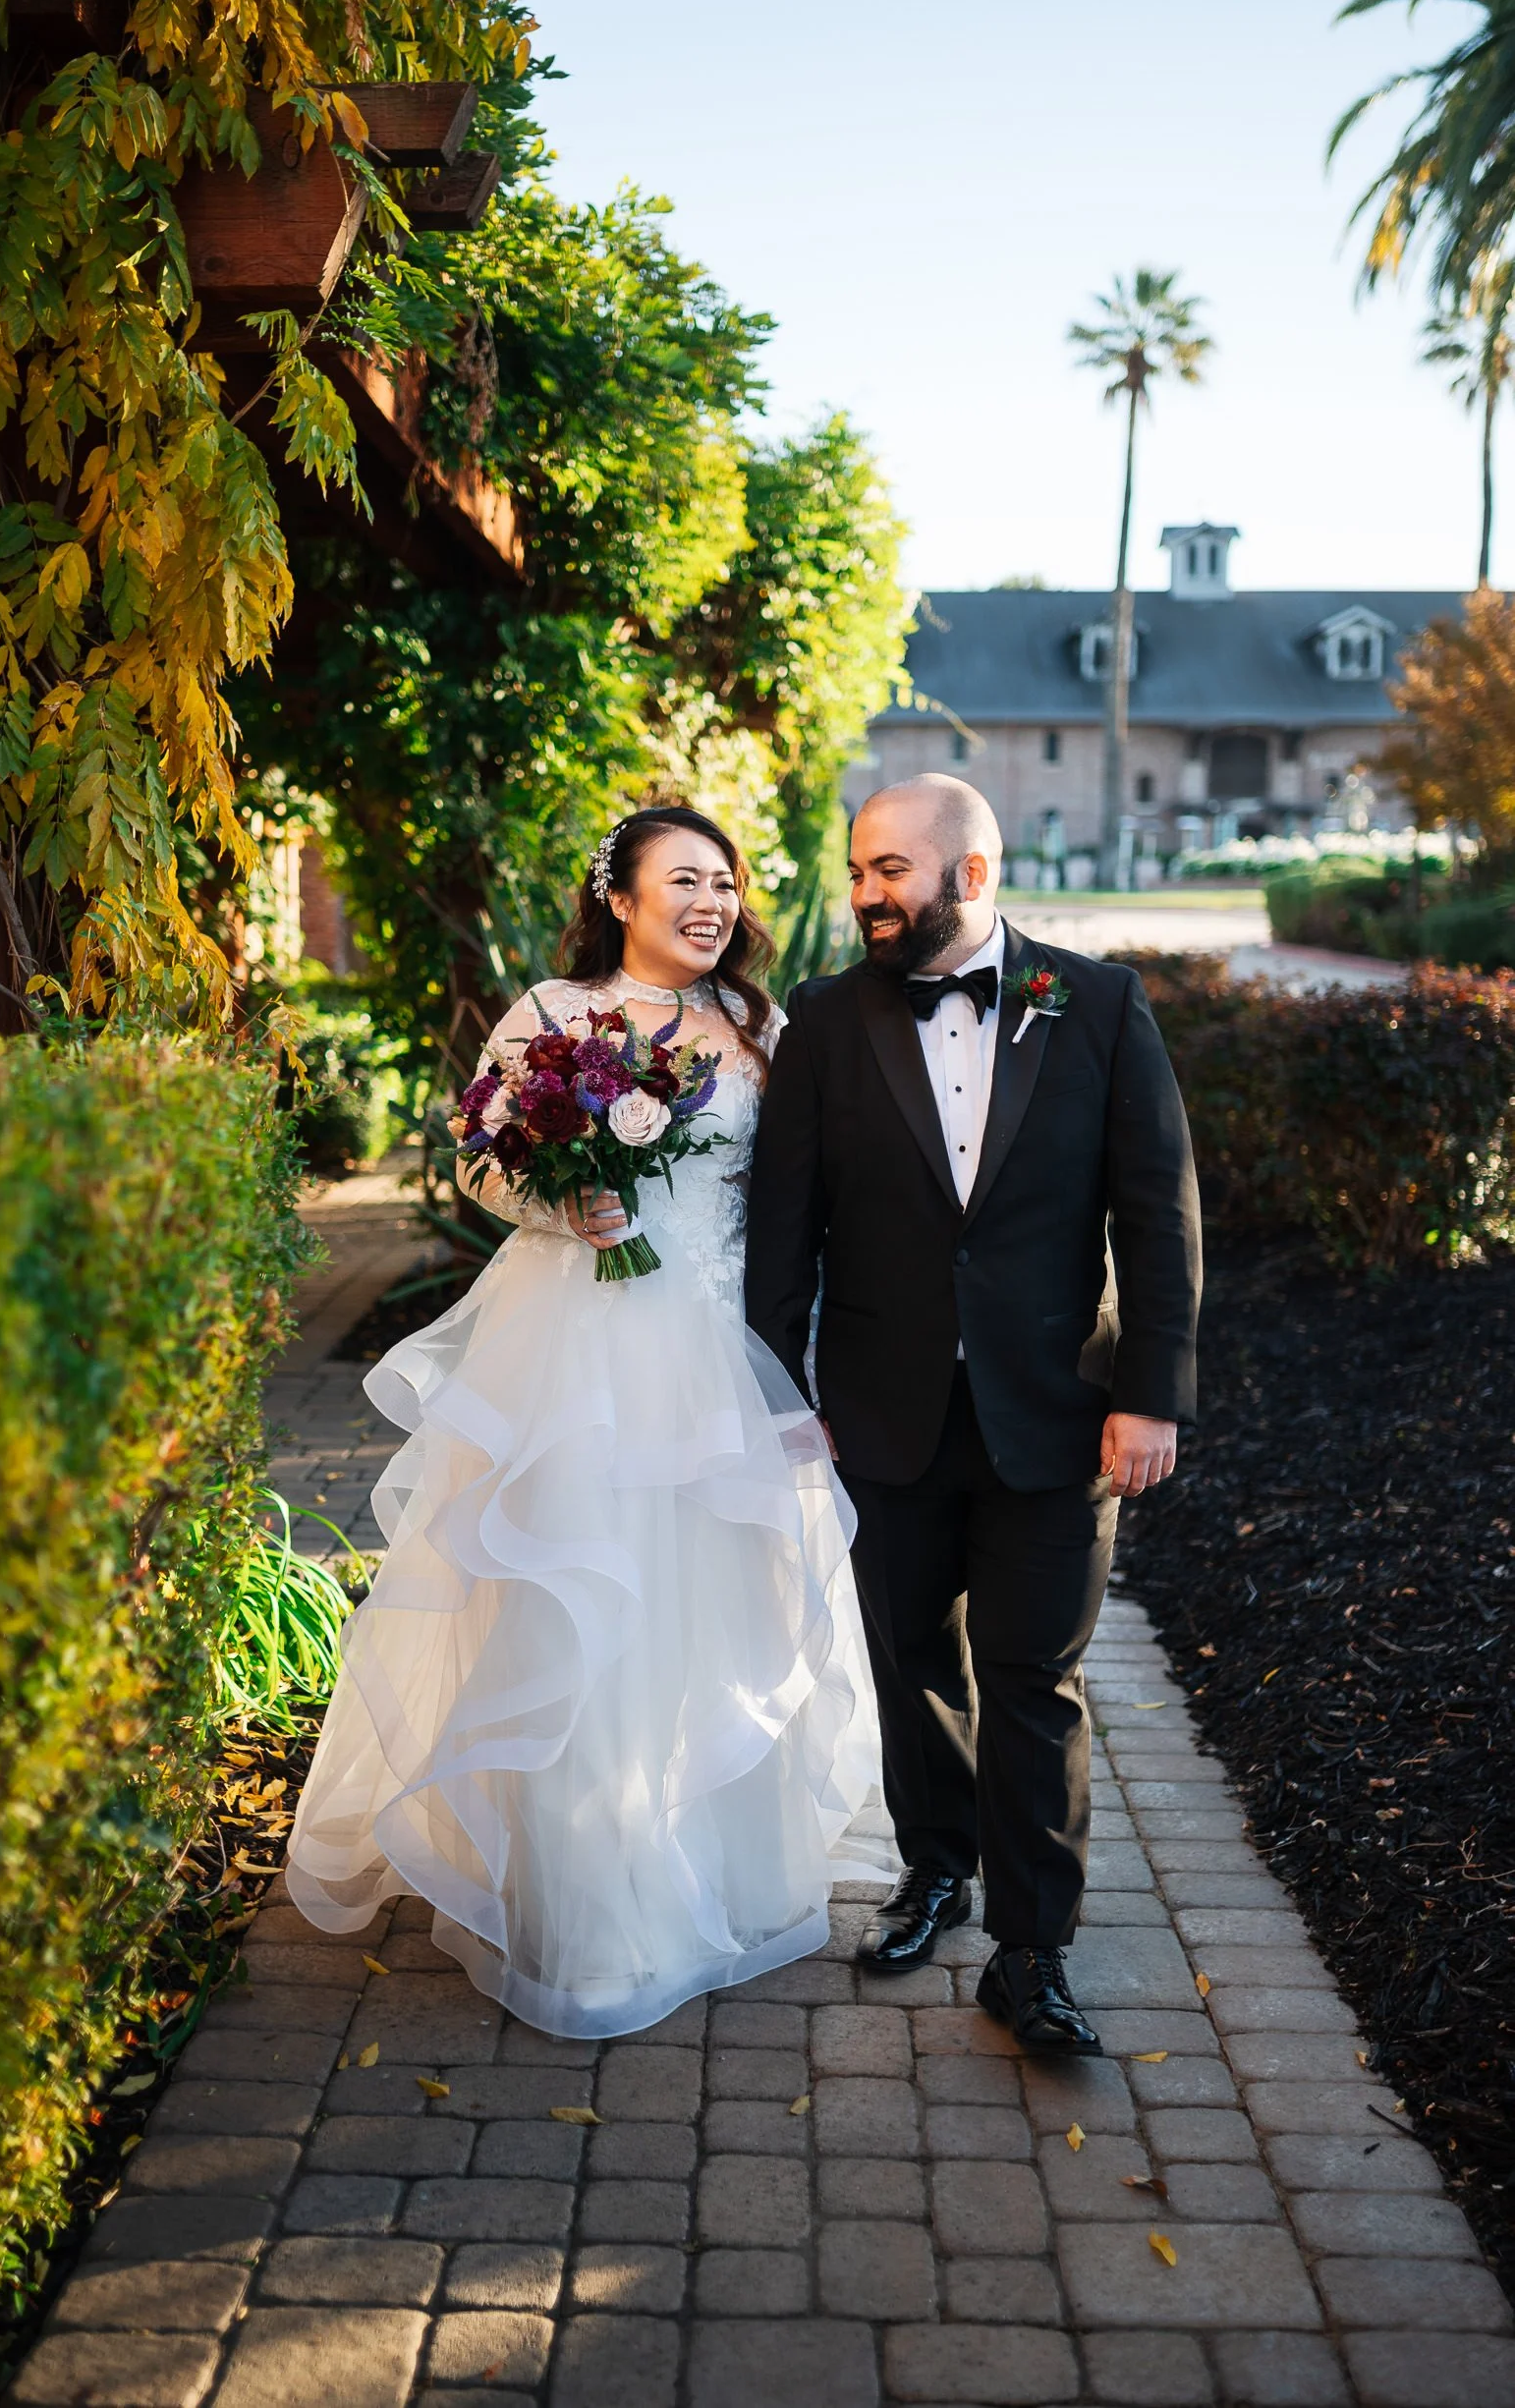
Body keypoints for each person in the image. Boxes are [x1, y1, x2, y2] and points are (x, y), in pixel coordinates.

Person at [286, 806, 887, 2039]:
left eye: (724, 880)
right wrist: (567, 1207)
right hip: (576, 1351)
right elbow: (482, 1156)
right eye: (684, 880)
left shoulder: (764, 1025)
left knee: (716, 1611)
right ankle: (590, 1914)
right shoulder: (555, 1013)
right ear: (622, 897)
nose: (711, 901)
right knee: (579, 1610)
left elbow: (805, 1192)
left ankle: (720, 1873)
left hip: (725, 1352)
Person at [745, 775, 1201, 2053]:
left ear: (973, 875)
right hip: (880, 1415)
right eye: (856, 871)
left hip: (1056, 1418)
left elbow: (1154, 1218)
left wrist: (1149, 1397)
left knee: (1032, 1677)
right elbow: (784, 1233)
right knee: (911, 1664)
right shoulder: (826, 1022)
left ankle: (1031, 1950)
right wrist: (782, 1396)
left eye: (889, 869)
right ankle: (932, 1871)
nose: (863, 895)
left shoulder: (1095, 1005)